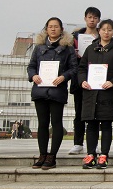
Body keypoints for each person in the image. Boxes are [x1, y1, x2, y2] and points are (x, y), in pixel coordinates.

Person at [27, 17, 78, 170]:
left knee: (56, 124)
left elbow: (74, 68)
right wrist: (33, 75)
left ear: (61, 29)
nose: (53, 29)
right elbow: (31, 66)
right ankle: (42, 155)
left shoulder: (68, 48)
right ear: (46, 29)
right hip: (40, 90)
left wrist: (64, 77)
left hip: (57, 90)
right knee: (42, 124)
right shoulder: (39, 47)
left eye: (56, 27)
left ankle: (52, 156)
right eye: (50, 27)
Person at [79, 19, 113, 169]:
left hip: (108, 93)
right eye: (104, 29)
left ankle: (104, 155)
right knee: (91, 124)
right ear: (99, 31)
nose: (106, 32)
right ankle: (90, 154)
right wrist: (82, 81)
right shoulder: (90, 48)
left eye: (110, 30)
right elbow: (81, 68)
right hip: (91, 92)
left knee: (106, 125)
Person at [69, 6, 101, 155]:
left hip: (98, 78)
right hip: (80, 78)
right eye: (90, 17)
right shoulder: (75, 37)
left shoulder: (103, 36)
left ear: (98, 20)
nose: (92, 20)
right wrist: (74, 53)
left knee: (97, 113)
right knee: (79, 112)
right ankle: (78, 143)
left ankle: (95, 143)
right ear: (85, 19)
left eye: (95, 18)